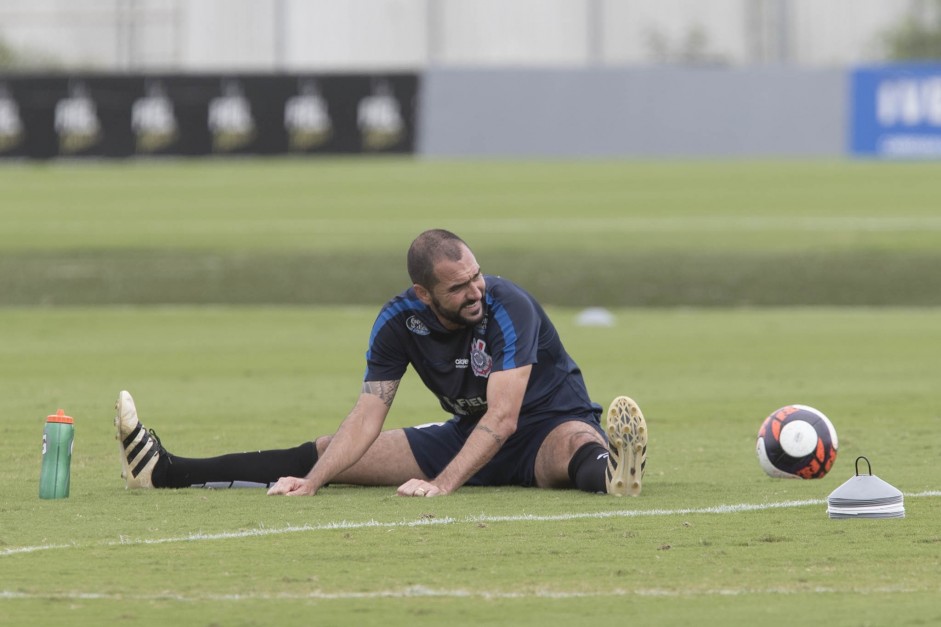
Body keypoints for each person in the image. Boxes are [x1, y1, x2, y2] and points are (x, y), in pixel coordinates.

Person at [115, 229, 647, 497]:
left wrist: (441, 486)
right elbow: (370, 411)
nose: (475, 292)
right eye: (458, 287)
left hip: (543, 427)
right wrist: (316, 481)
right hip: (467, 434)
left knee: (577, 448)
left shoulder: (509, 306)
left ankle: (615, 472)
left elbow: (506, 419)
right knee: (324, 452)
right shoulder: (398, 321)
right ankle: (166, 471)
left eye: (476, 276)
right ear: (424, 292)